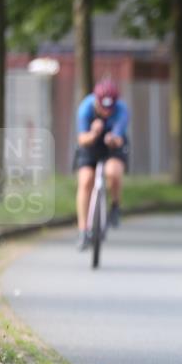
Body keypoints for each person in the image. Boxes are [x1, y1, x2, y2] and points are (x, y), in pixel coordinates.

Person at [74, 79, 129, 250]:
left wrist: (112, 139)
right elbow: (82, 139)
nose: (106, 113)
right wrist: (94, 133)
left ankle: (115, 205)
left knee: (113, 172)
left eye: (109, 109)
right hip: (90, 143)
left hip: (112, 144)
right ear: (96, 101)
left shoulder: (122, 110)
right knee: (85, 181)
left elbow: (119, 139)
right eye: (102, 109)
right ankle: (84, 230)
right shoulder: (85, 109)